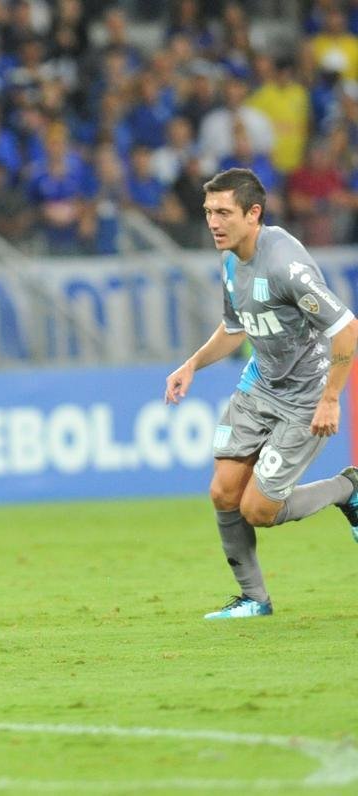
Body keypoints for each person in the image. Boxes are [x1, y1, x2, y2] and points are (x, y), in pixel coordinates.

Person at [165, 168, 358, 620]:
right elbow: (237, 328)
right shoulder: (232, 258)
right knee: (223, 493)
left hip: (305, 397)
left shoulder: (286, 266)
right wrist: (191, 365)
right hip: (259, 384)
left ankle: (347, 488)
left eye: (224, 212)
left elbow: (347, 330)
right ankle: (254, 599)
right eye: (209, 211)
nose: (213, 221)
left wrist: (330, 398)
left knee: (259, 509)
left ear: (254, 214)